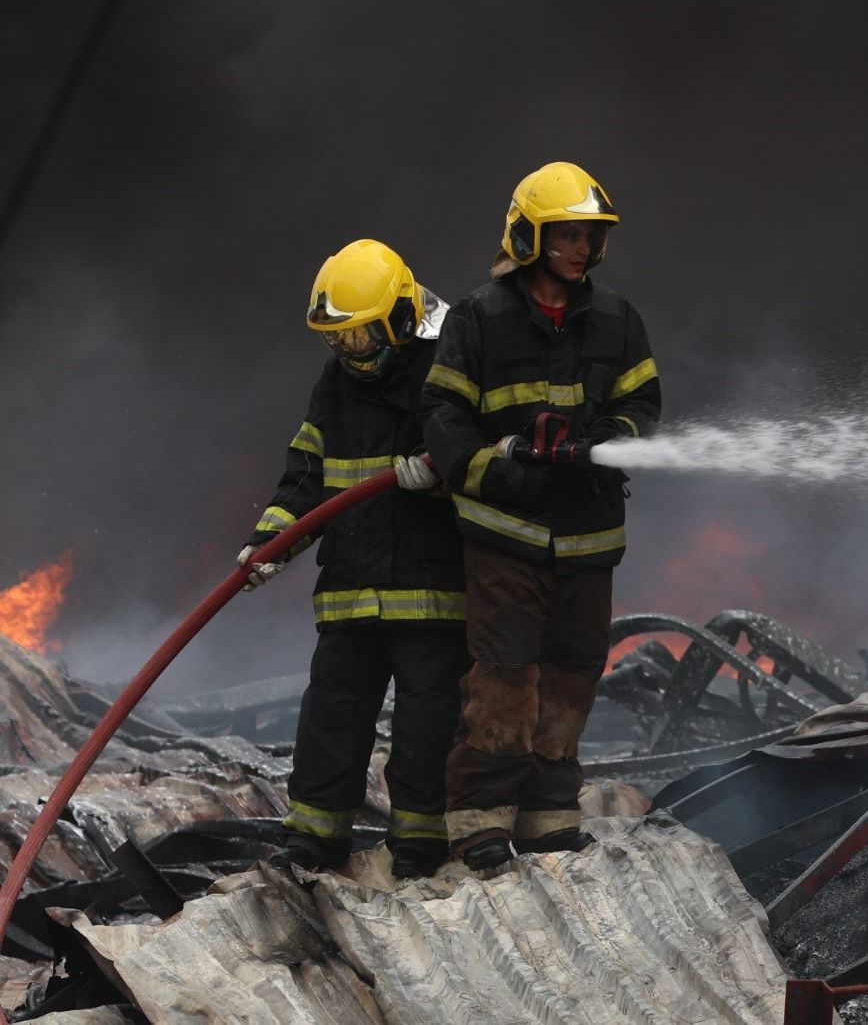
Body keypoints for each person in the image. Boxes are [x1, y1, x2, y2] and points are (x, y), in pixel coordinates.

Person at [421, 162, 660, 870]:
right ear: (528, 238)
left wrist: (607, 441)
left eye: (589, 237)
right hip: (506, 536)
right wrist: (506, 466)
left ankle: (549, 814)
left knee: (574, 672)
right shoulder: (478, 318)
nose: (581, 249)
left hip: (588, 538)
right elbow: (442, 415)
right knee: (505, 676)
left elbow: (643, 406)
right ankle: (481, 821)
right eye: (565, 237)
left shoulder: (618, 319)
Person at [239, 239, 469, 879]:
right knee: (329, 723)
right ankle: (313, 844)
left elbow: (488, 460)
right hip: (349, 592)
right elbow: (306, 473)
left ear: (398, 318)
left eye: (362, 336)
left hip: (431, 594)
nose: (350, 351)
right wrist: (270, 542)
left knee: (428, 728)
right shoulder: (334, 384)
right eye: (336, 339)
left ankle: (420, 849)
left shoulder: (448, 364)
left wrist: (441, 470)